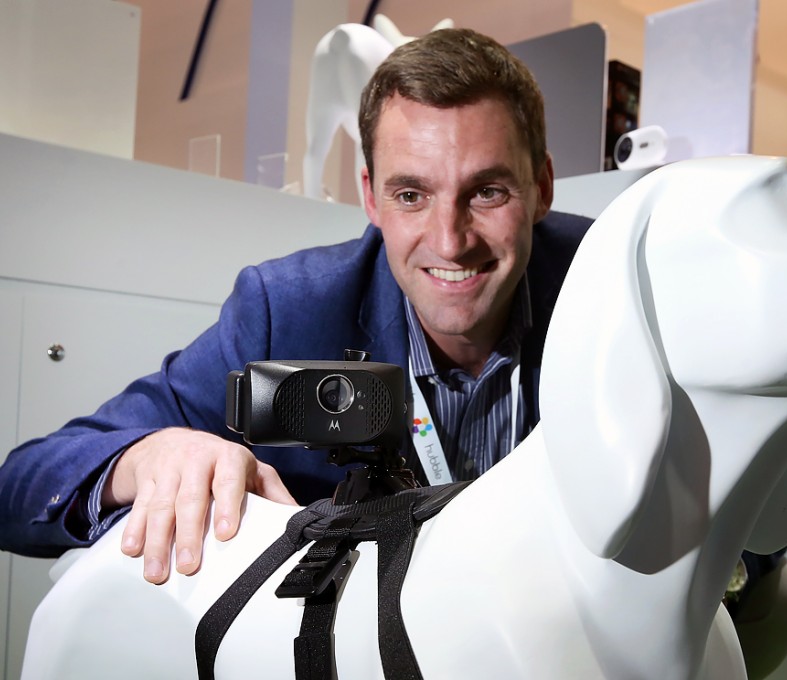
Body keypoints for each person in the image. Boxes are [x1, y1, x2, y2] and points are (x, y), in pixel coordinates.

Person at [0, 28, 589, 585]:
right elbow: (22, 483)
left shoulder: (616, 287)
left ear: (541, 187)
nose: (449, 240)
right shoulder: (287, 310)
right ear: (370, 196)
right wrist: (149, 455)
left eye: (486, 192)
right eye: (410, 195)